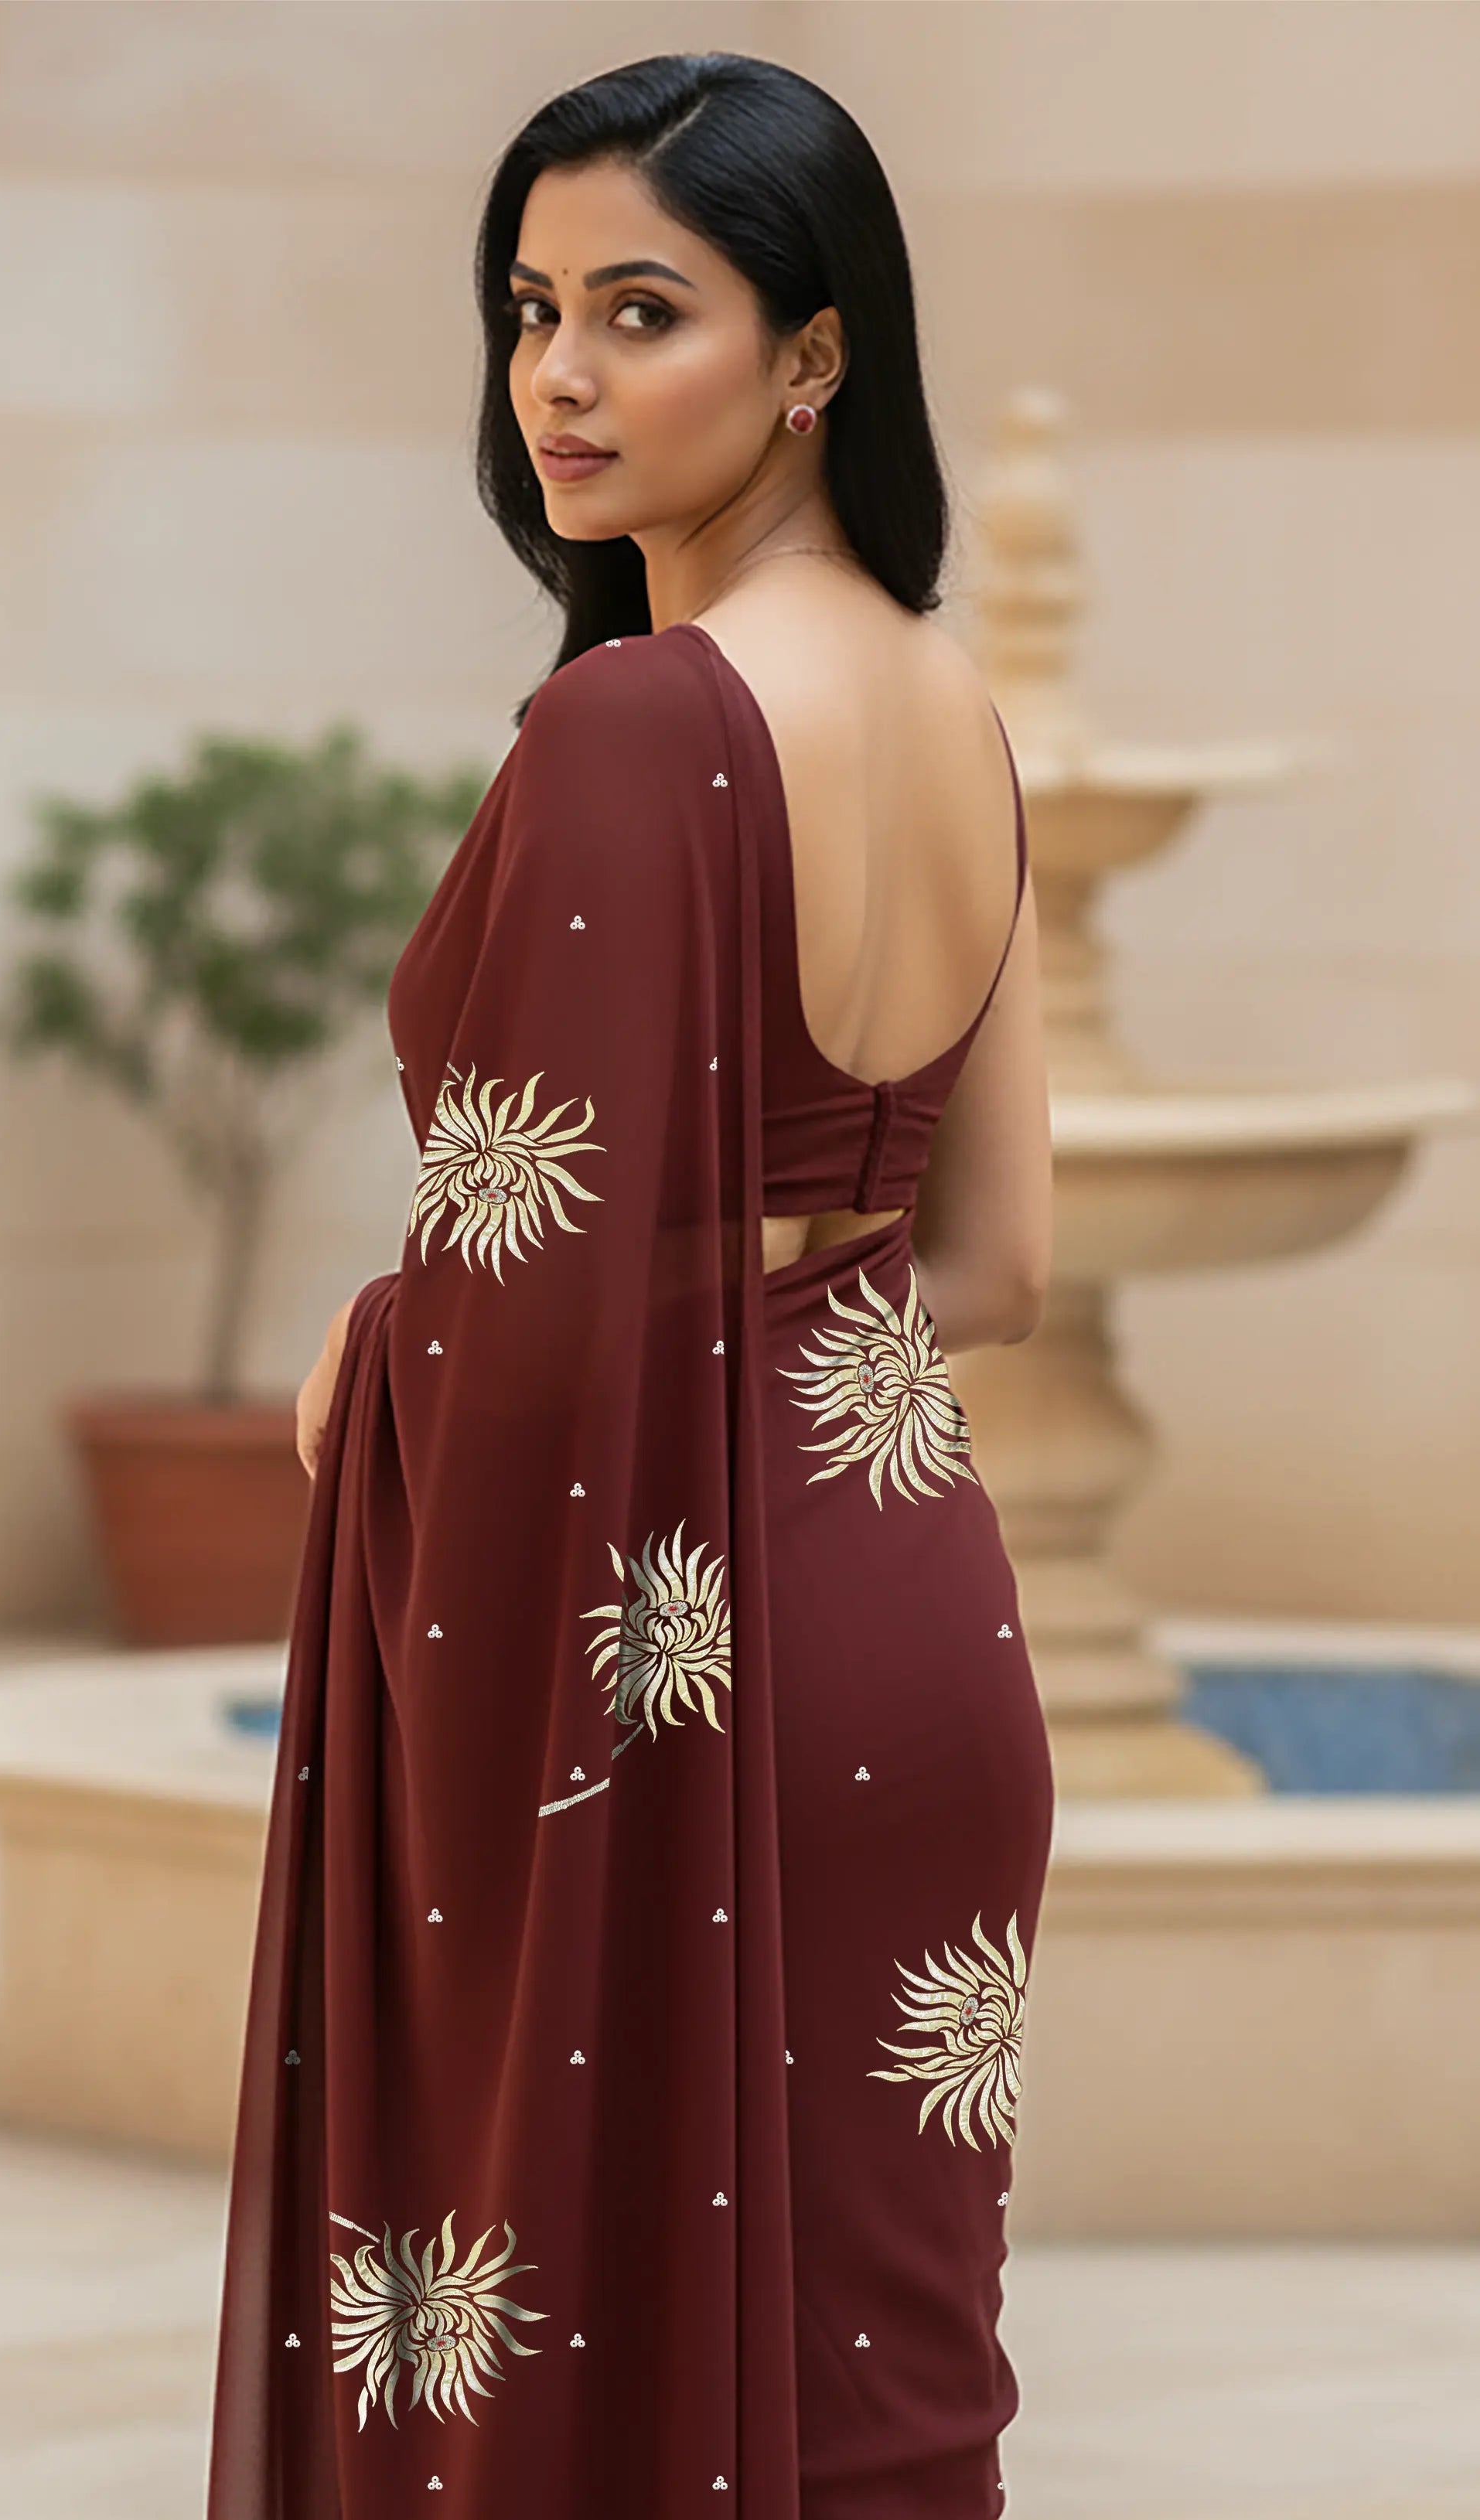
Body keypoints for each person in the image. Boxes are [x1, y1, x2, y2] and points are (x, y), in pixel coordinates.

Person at [207, 50, 1053, 2520]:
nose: (560, 377)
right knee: (884, 2388)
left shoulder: (642, 723)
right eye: (530, 310)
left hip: (685, 1645)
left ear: (815, 354)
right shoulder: (954, 702)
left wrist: (380, 1347)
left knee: (605, 2399)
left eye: (642, 312)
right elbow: (993, 1264)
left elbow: (531, 1326)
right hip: (914, 1617)